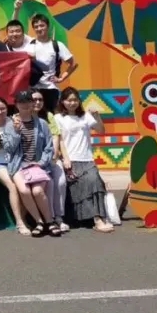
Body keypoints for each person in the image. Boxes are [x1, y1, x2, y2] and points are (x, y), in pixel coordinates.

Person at [0, 97, 50, 236]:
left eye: (2, 108)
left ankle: (26, 218)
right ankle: (20, 222)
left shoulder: (13, 121)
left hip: (16, 162)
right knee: (13, 186)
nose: (0, 111)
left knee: (25, 187)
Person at [57, 87, 114, 233]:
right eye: (69, 100)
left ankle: (99, 219)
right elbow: (60, 140)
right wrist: (65, 158)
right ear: (63, 101)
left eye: (75, 100)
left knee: (95, 182)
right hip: (71, 159)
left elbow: (101, 130)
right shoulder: (58, 118)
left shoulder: (85, 117)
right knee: (80, 188)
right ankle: (88, 218)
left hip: (87, 158)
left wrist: (97, 116)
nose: (72, 103)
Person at [8, 89, 61, 237]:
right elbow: (9, 148)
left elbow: (49, 147)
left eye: (28, 101)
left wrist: (41, 162)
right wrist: (16, 132)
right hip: (19, 165)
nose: (25, 105)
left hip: (38, 165)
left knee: (37, 191)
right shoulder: (10, 124)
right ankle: (39, 222)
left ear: (32, 103)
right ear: (16, 104)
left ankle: (50, 221)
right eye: (21, 102)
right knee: (24, 190)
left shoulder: (42, 123)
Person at [24, 13, 77, 112]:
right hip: (33, 88)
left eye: (42, 25)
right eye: (36, 27)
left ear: (48, 26)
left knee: (50, 117)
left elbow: (73, 64)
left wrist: (61, 78)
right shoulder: (29, 45)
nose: (39, 29)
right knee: (33, 116)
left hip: (50, 89)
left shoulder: (57, 45)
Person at [32, 90, 69, 230]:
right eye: (34, 99)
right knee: (49, 184)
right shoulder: (23, 117)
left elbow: (55, 136)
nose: (37, 102)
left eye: (40, 99)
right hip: (35, 162)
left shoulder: (48, 116)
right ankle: (51, 218)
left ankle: (59, 217)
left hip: (51, 158)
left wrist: (54, 155)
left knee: (61, 182)